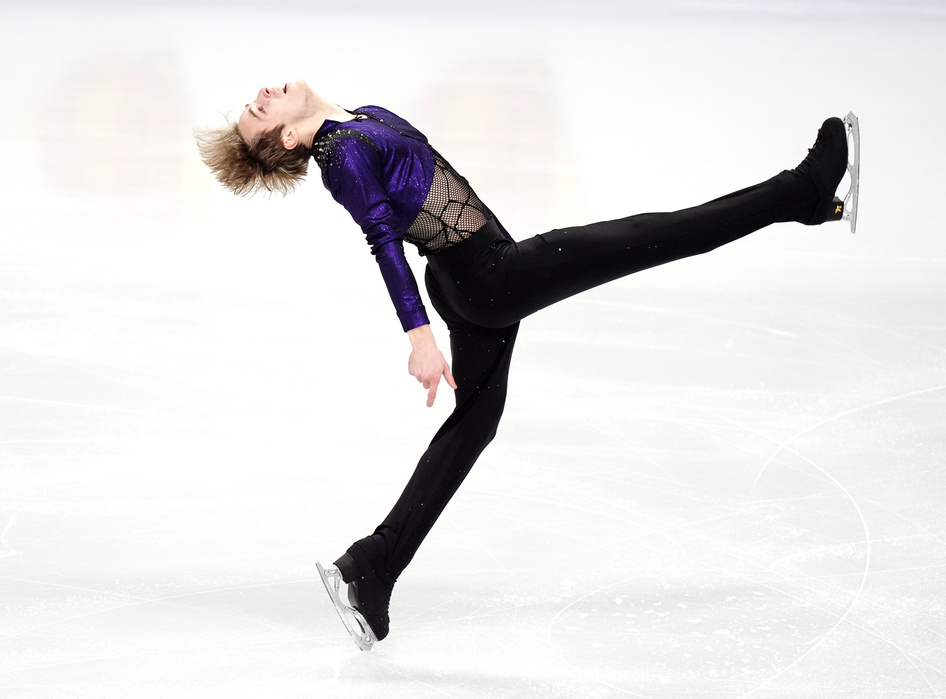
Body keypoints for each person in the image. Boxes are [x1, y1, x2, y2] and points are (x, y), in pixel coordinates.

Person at [196, 80, 856, 650]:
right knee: (647, 235)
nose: (257, 98)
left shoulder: (356, 119)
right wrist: (418, 335)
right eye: (256, 114)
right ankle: (802, 191)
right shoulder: (340, 155)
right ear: (285, 141)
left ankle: (372, 565)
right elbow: (382, 239)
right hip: (487, 279)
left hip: (475, 274)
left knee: (475, 425)